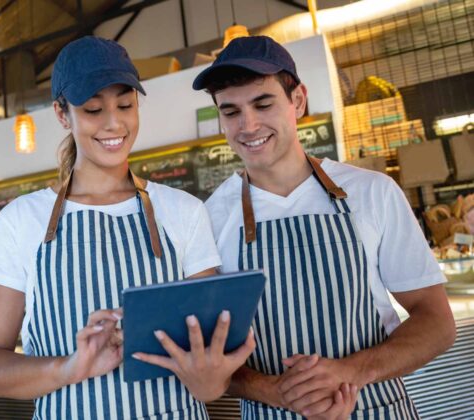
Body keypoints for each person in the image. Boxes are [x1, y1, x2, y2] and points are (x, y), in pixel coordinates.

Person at [0, 36, 254, 419]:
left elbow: (212, 378)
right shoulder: (22, 219)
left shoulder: (183, 211)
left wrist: (209, 379)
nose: (113, 123)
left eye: (125, 104)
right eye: (92, 109)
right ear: (61, 114)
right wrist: (70, 368)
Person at [191, 36, 456, 419]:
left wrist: (347, 373)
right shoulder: (209, 218)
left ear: (297, 100)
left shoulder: (372, 192)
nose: (247, 125)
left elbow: (436, 322)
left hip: (375, 409)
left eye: (263, 104)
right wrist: (273, 390)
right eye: (231, 111)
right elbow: (206, 356)